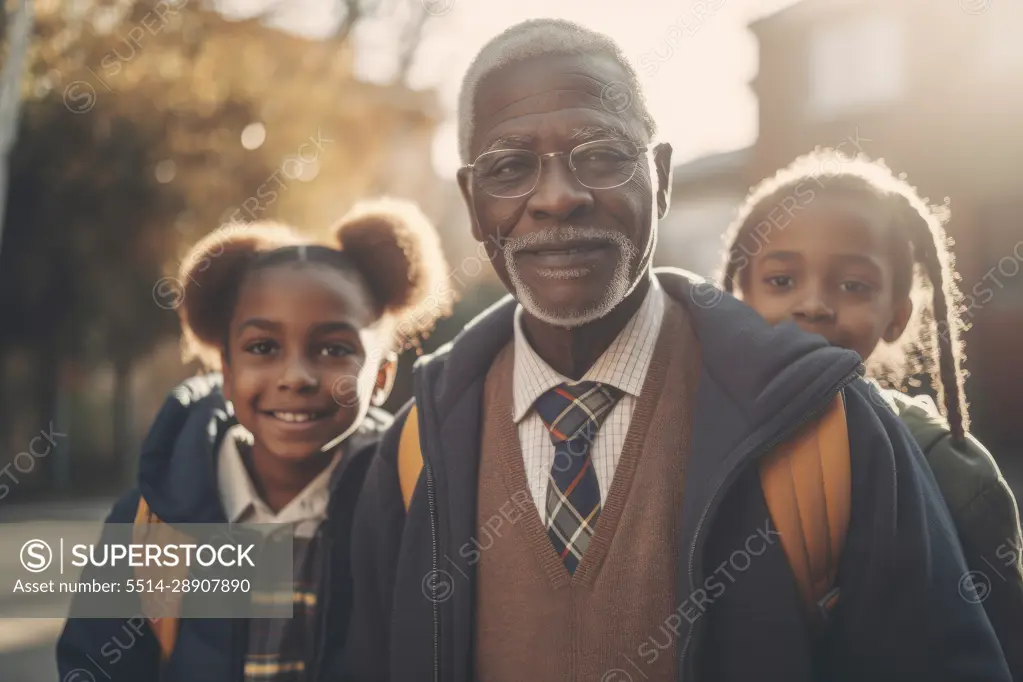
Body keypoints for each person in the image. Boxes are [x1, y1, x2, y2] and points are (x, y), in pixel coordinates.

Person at [344, 18, 1011, 682]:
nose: (556, 197)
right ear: (471, 200)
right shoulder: (414, 453)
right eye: (510, 167)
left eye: (601, 155)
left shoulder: (828, 424)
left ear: (659, 177)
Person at [57, 199, 452, 682]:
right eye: (263, 348)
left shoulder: (409, 511)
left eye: (334, 348)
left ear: (382, 377)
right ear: (225, 370)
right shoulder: (153, 519)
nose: (296, 376)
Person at [718, 149, 1023, 680]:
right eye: (782, 281)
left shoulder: (950, 468)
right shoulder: (696, 437)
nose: (813, 304)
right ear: (741, 297)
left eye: (853, 285)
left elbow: (1001, 647)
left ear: (897, 316)